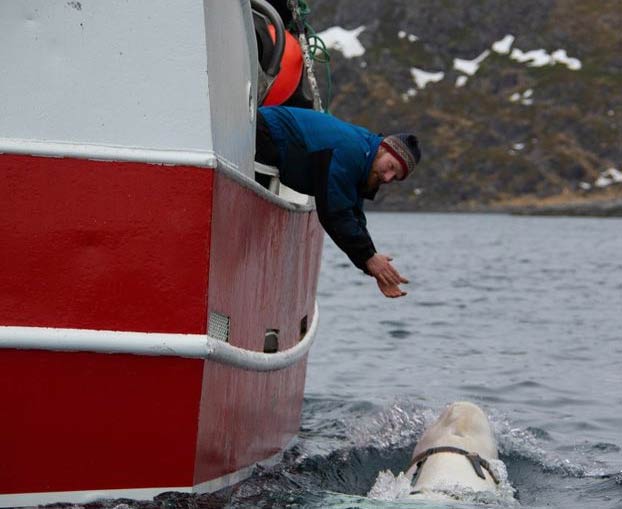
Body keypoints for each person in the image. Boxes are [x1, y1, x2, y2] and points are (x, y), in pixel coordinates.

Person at [255, 106, 421, 298]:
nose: (388, 177)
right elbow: (334, 212)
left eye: (395, 177)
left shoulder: (366, 157)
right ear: (383, 148)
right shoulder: (351, 151)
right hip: (264, 131)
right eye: (391, 167)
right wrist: (368, 258)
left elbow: (353, 215)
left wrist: (373, 264)